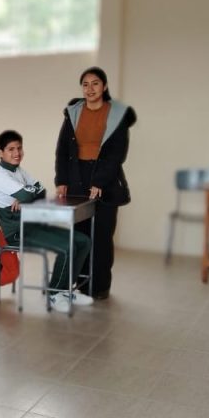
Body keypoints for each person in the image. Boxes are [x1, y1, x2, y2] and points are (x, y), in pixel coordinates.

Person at [54, 67, 137, 299]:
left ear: (105, 86)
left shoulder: (116, 114)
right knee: (80, 236)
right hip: (76, 178)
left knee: (101, 237)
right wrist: (62, 180)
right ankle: (81, 285)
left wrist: (99, 181)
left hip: (106, 181)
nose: (90, 89)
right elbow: (62, 150)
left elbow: (117, 153)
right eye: (85, 84)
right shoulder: (73, 113)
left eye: (95, 83)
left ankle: (99, 287)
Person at [0, 130, 92, 313]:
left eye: (19, 148)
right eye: (11, 149)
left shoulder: (18, 170)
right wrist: (27, 193)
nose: (17, 153)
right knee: (67, 247)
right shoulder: (0, 175)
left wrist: (25, 195)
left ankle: (65, 291)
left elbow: (41, 190)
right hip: (17, 232)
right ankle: (54, 293)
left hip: (34, 225)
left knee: (83, 241)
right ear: (1, 152)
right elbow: (30, 193)